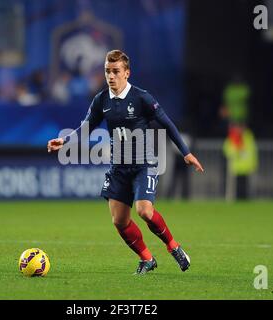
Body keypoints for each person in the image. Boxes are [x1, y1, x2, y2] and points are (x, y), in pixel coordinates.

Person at [47, 50, 204, 275]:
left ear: (127, 73)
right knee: (119, 221)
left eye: (116, 71)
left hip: (144, 164)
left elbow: (168, 124)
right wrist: (65, 140)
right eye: (107, 71)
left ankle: (174, 247)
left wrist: (186, 153)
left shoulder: (142, 98)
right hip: (119, 167)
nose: (111, 76)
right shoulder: (101, 100)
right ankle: (147, 259)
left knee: (144, 211)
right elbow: (87, 127)